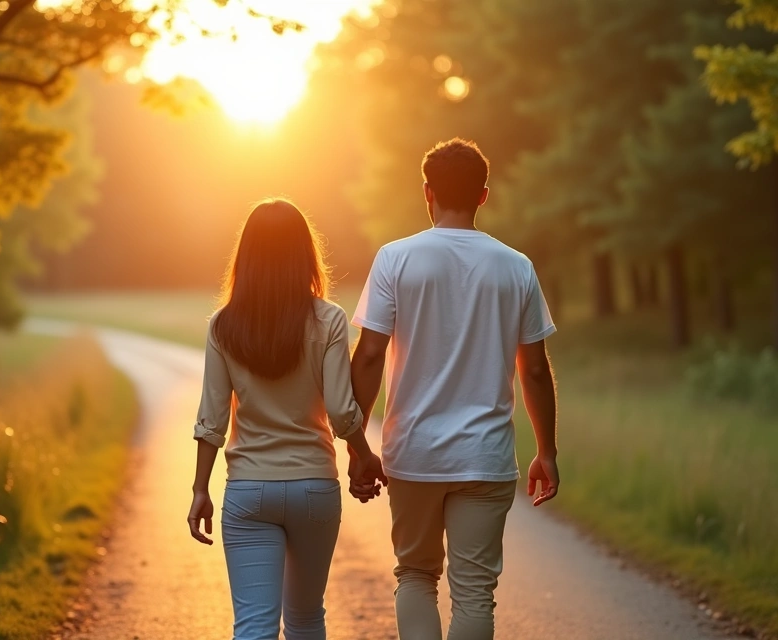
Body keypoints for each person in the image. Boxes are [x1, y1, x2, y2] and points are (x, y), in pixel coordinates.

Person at [348, 138, 560, 640]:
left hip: (413, 453)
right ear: (483, 196)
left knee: (416, 575)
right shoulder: (516, 267)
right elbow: (533, 370)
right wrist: (547, 451)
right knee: (474, 591)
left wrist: (358, 445)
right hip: (485, 457)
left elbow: (371, 354)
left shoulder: (395, 259)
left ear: (428, 192)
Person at [187, 199, 389, 640]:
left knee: (255, 627)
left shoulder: (223, 325)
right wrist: (363, 455)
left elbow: (212, 419)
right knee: (305, 620)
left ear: (248, 257)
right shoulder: (329, 319)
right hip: (314, 489)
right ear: (305, 254)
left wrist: (201, 488)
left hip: (248, 492)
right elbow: (340, 410)